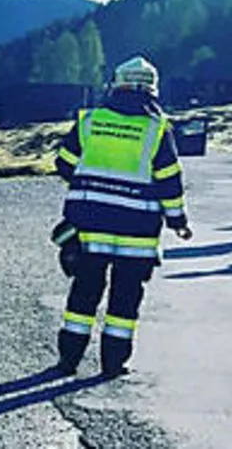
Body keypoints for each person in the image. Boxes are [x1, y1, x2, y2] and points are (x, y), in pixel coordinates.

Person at [50, 56, 193, 379]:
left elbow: (64, 163)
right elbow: (169, 181)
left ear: (116, 84)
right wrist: (178, 221)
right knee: (125, 301)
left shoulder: (90, 121)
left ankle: (68, 360)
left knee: (83, 293)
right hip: (137, 233)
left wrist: (89, 185)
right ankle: (113, 364)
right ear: (152, 89)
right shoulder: (157, 130)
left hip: (89, 227)